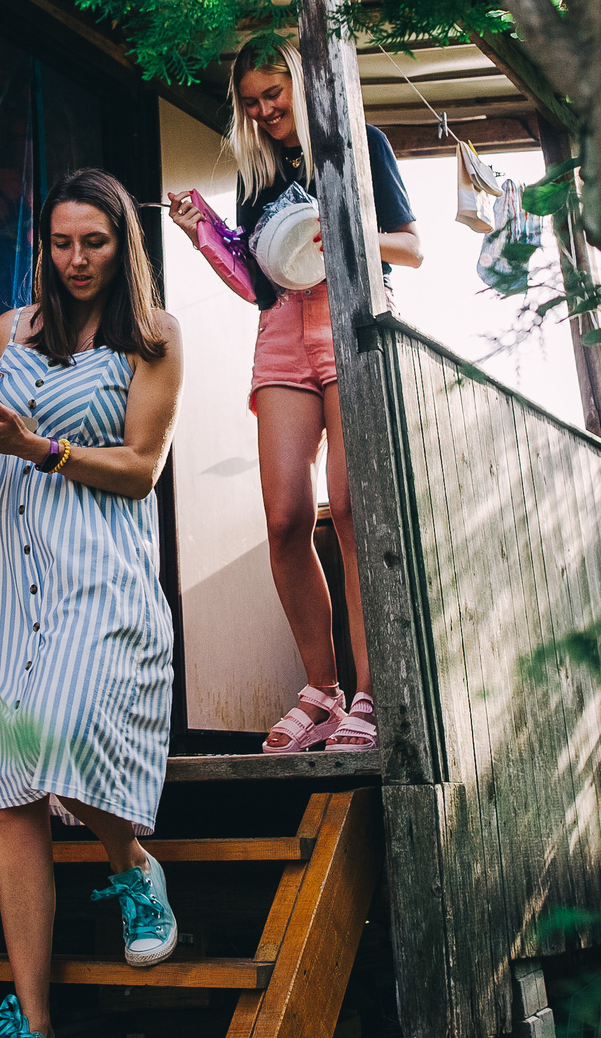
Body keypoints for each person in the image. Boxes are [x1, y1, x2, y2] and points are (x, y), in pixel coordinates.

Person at [0, 167, 185, 1038]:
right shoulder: (10, 331)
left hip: (96, 567)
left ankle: (131, 864)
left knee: (69, 725)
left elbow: (141, 468)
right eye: (62, 242)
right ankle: (33, 1032)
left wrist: (41, 447)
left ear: (124, 244)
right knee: (8, 790)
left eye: (95, 242)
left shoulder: (154, 339)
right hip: (3, 571)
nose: (76, 260)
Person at [165, 37, 419, 754]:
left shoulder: (360, 144)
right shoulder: (262, 173)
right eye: (250, 104)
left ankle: (370, 691)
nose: (263, 110)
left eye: (272, 94)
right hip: (281, 332)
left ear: (300, 84)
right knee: (283, 515)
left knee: (348, 508)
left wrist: (331, 227)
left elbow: (411, 246)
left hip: (349, 320)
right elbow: (257, 281)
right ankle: (322, 692)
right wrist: (202, 234)